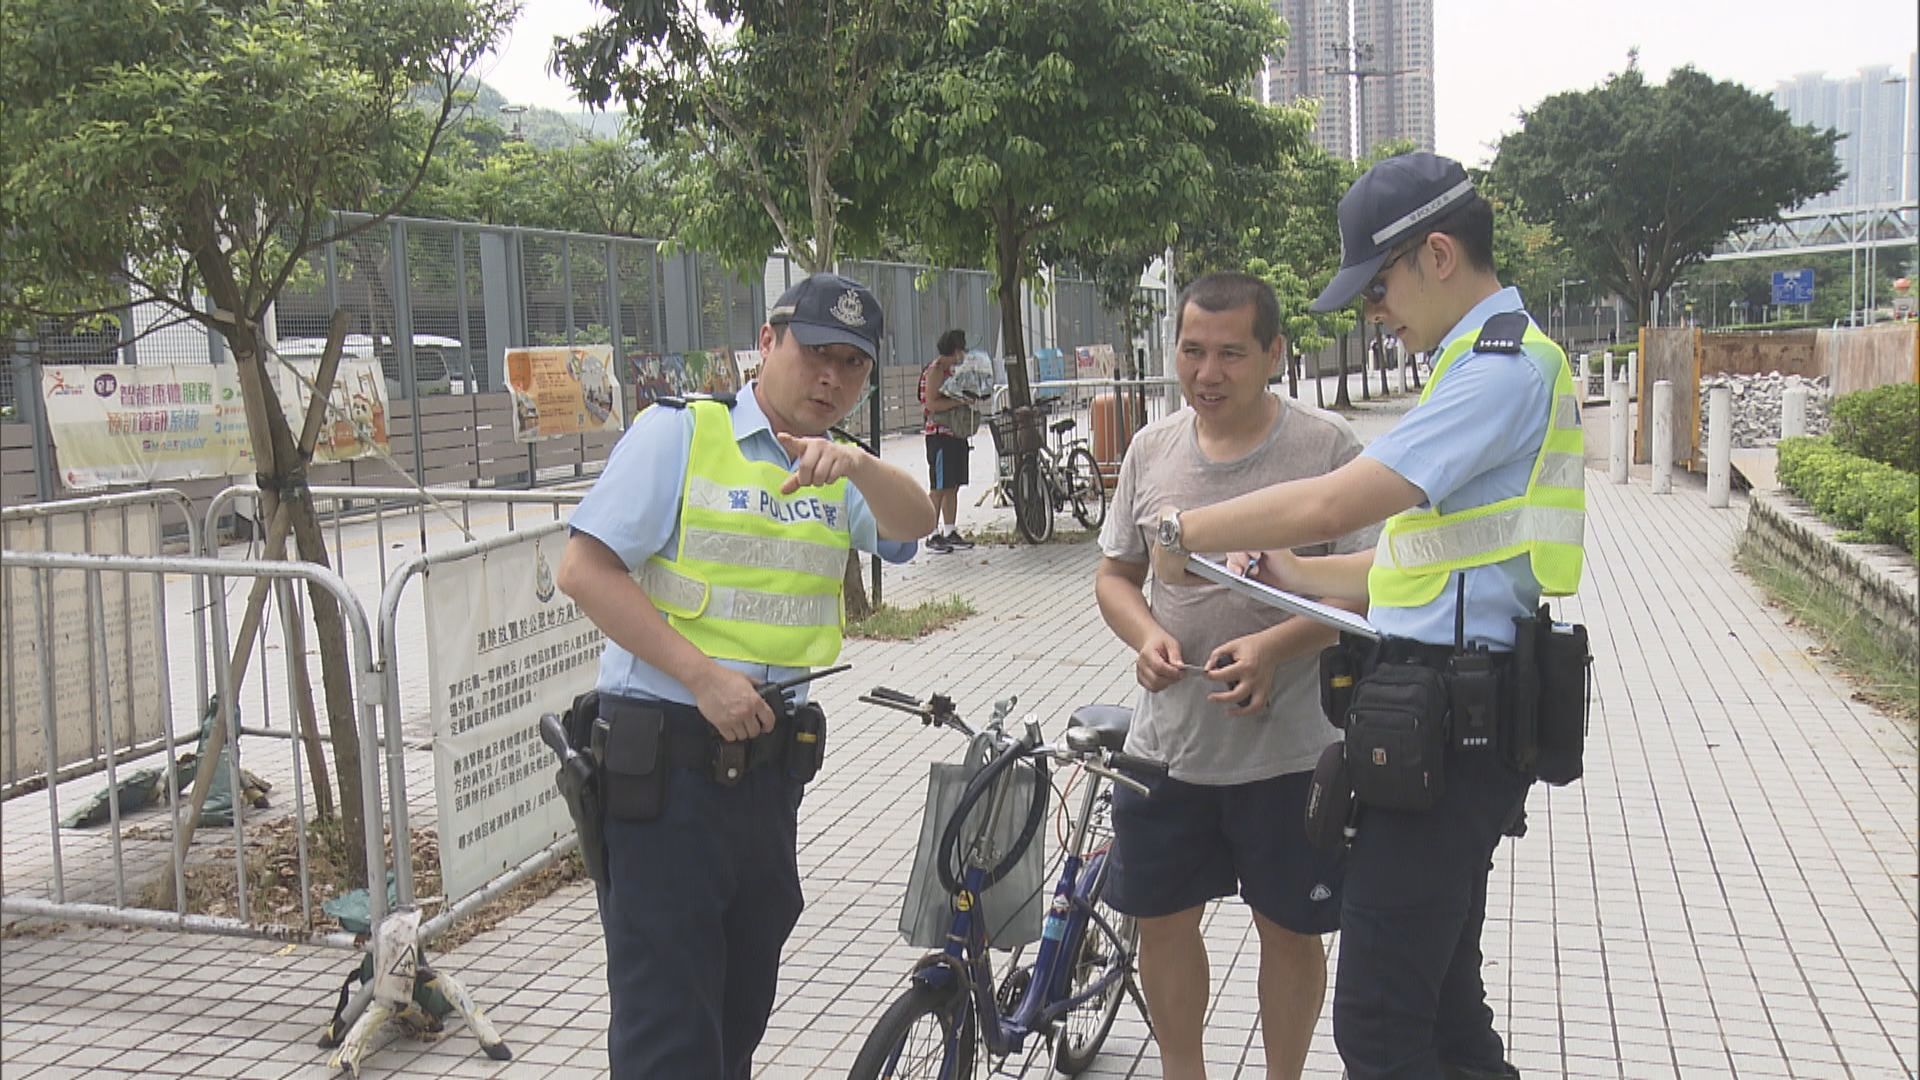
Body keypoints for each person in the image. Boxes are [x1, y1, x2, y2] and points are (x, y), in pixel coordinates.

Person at [1146, 153, 1585, 1080]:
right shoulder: (1479, 359)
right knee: (1447, 1020)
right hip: (1450, 712)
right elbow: (1427, 561)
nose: (1374, 312)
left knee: (1382, 1024)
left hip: (1452, 726)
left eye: (1377, 287)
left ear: (1435, 253)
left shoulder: (1495, 371)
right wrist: (1303, 576)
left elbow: (1330, 499)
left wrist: (1182, 526)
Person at [555, 272, 936, 1079]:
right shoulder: (682, 436)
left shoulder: (837, 466)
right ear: (767, 343)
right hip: (667, 771)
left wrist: (860, 465)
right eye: (814, 354)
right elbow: (584, 571)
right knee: (669, 1032)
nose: (831, 377)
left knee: (736, 1017)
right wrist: (701, 677)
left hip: (767, 777)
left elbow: (916, 525)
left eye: (853, 365)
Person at [1094, 272, 1376, 1080]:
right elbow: (1115, 574)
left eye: (1229, 353)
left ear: (1273, 353)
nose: (1207, 373)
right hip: (1168, 750)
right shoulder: (1152, 448)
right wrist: (1145, 634)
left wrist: (1273, 650)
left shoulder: (1326, 452)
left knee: (1290, 932)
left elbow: (1367, 589)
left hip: (1291, 755)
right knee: (1161, 925)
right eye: (1191, 351)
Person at [918, 328, 975, 551]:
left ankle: (950, 530)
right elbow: (931, 404)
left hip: (954, 434)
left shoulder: (952, 371)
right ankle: (932, 533)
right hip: (939, 435)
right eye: (960, 350)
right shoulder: (936, 371)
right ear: (953, 350)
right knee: (939, 486)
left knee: (952, 484)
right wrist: (959, 402)